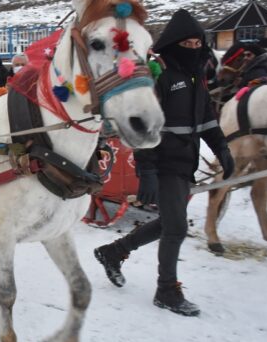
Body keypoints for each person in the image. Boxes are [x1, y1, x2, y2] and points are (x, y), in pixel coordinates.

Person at [93, 9, 235, 317]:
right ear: (174, 44)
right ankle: (166, 290)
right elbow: (145, 125)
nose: (195, 48)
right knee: (176, 228)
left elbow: (207, 117)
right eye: (188, 43)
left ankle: (114, 251)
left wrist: (221, 148)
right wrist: (147, 172)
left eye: (199, 43)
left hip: (185, 160)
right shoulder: (161, 75)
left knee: (170, 222)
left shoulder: (195, 75)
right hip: (164, 161)